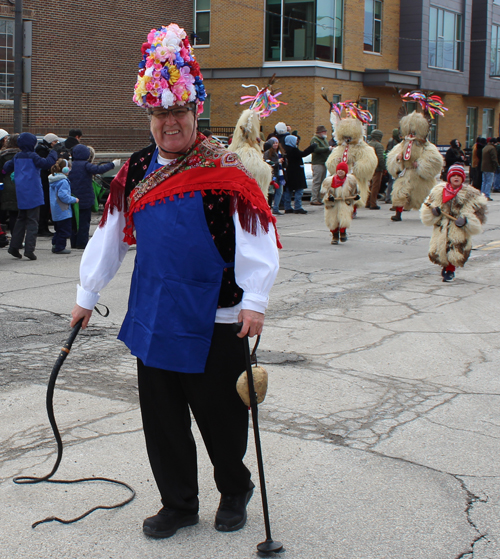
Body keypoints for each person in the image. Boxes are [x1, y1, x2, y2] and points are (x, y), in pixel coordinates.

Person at [70, 23, 280, 541]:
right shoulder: (137, 169)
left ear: (194, 113)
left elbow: (256, 236)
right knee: (163, 422)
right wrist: (85, 293)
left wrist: (255, 299)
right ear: (149, 115)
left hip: (217, 316)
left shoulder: (226, 167)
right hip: (156, 314)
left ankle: (234, 490)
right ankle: (179, 503)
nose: (169, 123)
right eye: (160, 114)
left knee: (222, 418)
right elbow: (112, 234)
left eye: (178, 113)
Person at [420, 164, 487, 282]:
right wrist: (433, 212)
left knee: (455, 250)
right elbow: (428, 205)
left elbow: (479, 214)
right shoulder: (438, 191)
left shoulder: (471, 194)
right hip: (441, 226)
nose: (456, 178)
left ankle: (450, 270)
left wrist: (467, 221)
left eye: (459, 176)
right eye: (453, 175)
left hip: (459, 228)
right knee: (440, 249)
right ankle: (446, 266)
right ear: (449, 177)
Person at [3, 132, 57, 260]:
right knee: (33, 221)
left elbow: (6, 168)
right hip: (34, 192)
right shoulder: (33, 156)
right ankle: (29, 249)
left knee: (21, 220)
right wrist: (54, 153)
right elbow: (46, 163)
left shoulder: (17, 157)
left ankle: (14, 247)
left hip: (21, 191)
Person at [386, 111, 443, 222]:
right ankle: (398, 213)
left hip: (419, 175)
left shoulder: (426, 146)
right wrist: (397, 159)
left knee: (425, 196)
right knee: (399, 194)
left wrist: (421, 164)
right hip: (406, 173)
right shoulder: (402, 145)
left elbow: (435, 159)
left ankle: (428, 214)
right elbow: (391, 157)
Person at [68, 144, 118, 248]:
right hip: (85, 198)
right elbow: (99, 169)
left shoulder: (72, 165)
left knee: (74, 221)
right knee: (84, 222)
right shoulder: (86, 165)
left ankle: (74, 242)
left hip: (73, 198)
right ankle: (82, 243)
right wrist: (112, 164)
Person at [321, 161, 359, 244]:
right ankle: (335, 236)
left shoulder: (351, 181)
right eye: (339, 169)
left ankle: (343, 232)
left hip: (344, 202)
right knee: (332, 220)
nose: (340, 171)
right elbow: (323, 193)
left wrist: (356, 196)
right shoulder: (329, 181)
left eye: (342, 170)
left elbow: (355, 191)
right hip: (333, 204)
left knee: (344, 218)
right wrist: (328, 197)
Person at [49, 159, 78, 254]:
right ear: (65, 169)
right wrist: (74, 200)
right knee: (65, 230)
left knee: (58, 229)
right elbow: (63, 196)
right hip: (63, 210)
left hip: (56, 209)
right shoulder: (63, 181)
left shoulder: (53, 180)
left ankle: (55, 244)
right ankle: (60, 247)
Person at [282, 134, 315, 214]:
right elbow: (302, 154)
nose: (297, 142)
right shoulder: (293, 150)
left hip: (289, 173)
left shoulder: (285, 149)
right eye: (295, 140)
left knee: (288, 191)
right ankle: (298, 207)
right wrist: (311, 147)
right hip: (296, 173)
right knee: (299, 190)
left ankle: (288, 207)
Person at [36, 133, 61, 237]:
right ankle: (42, 227)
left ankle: (43, 227)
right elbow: (47, 163)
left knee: (46, 205)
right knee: (44, 205)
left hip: (45, 180)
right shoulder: (42, 151)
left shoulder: (42, 150)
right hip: (43, 181)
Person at [309, 125, 332, 205]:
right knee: (317, 181)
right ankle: (314, 198)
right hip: (317, 163)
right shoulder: (315, 139)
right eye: (324, 131)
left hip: (323, 162)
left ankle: (319, 198)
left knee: (322, 182)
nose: (326, 133)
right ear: (320, 132)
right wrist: (328, 149)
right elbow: (316, 149)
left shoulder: (324, 140)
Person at [0, 133, 18, 234]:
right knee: (16, 215)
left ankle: (2, 235)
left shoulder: (3, 155)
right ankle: (16, 237)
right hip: (19, 185)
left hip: (5, 185)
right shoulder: (23, 155)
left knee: (5, 212)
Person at [263, 137, 285, 214]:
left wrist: (283, 162)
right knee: (270, 192)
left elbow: (284, 164)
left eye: (276, 143)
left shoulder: (280, 152)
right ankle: (268, 207)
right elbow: (267, 162)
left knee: (279, 192)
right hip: (272, 175)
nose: (275, 144)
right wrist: (277, 162)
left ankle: (276, 208)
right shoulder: (267, 153)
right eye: (274, 143)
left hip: (280, 175)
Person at [367, 129, 386, 209]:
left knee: (369, 186)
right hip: (377, 168)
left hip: (369, 167)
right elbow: (381, 158)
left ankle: (367, 202)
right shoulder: (378, 145)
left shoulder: (368, 144)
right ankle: (373, 203)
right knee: (375, 186)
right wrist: (383, 168)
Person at [385, 128, 401, 203]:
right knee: (392, 181)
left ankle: (389, 197)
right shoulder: (396, 144)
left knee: (391, 181)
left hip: (391, 163)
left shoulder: (390, 141)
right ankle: (389, 198)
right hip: (394, 164)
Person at [480, 137, 498, 201]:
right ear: (494, 143)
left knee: (484, 181)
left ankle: (482, 194)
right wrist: (496, 166)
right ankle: (487, 195)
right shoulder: (492, 148)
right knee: (489, 182)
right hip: (489, 168)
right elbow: (494, 158)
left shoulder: (485, 147)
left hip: (483, 167)